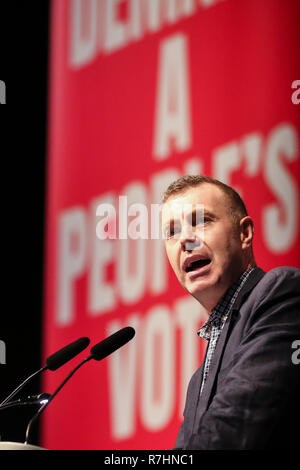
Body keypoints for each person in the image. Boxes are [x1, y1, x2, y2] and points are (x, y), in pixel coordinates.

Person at [161, 175, 300, 450]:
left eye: (201, 221)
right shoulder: (196, 383)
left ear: (244, 234)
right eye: (172, 232)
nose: (185, 240)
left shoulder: (281, 292)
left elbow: (239, 420)